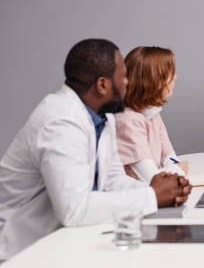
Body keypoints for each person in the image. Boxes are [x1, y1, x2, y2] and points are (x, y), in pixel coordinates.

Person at [0, 39, 192, 261]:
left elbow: (113, 181)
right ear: (102, 85)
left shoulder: (103, 117)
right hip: (19, 252)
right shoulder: (61, 121)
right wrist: (152, 195)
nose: (128, 82)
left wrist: (167, 191)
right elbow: (74, 210)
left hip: (60, 242)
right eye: (123, 77)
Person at [115, 46, 188, 183]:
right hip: (136, 199)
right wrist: (178, 170)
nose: (175, 77)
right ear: (153, 79)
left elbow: (170, 157)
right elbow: (153, 179)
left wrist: (174, 167)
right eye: (170, 73)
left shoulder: (153, 114)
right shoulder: (127, 121)